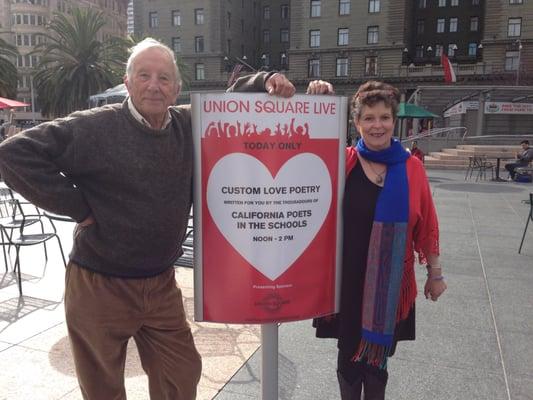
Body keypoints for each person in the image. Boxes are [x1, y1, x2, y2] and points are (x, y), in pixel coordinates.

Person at [0, 38, 295, 400]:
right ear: (127, 82)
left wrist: (266, 80)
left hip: (159, 284)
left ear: (177, 88)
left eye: (164, 77)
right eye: (144, 75)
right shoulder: (95, 127)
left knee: (182, 373)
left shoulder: (188, 124)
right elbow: (14, 154)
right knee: (103, 387)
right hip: (99, 283)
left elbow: (229, 102)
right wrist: (79, 207)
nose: (154, 85)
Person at [308, 80, 446, 400]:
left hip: (390, 283)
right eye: (369, 118)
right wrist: (319, 102)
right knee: (348, 358)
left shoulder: (411, 167)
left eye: (384, 117)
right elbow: (306, 151)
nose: (377, 125)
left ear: (393, 121)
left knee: (378, 363)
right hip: (347, 280)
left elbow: (427, 224)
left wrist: (435, 275)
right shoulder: (343, 161)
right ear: (357, 123)